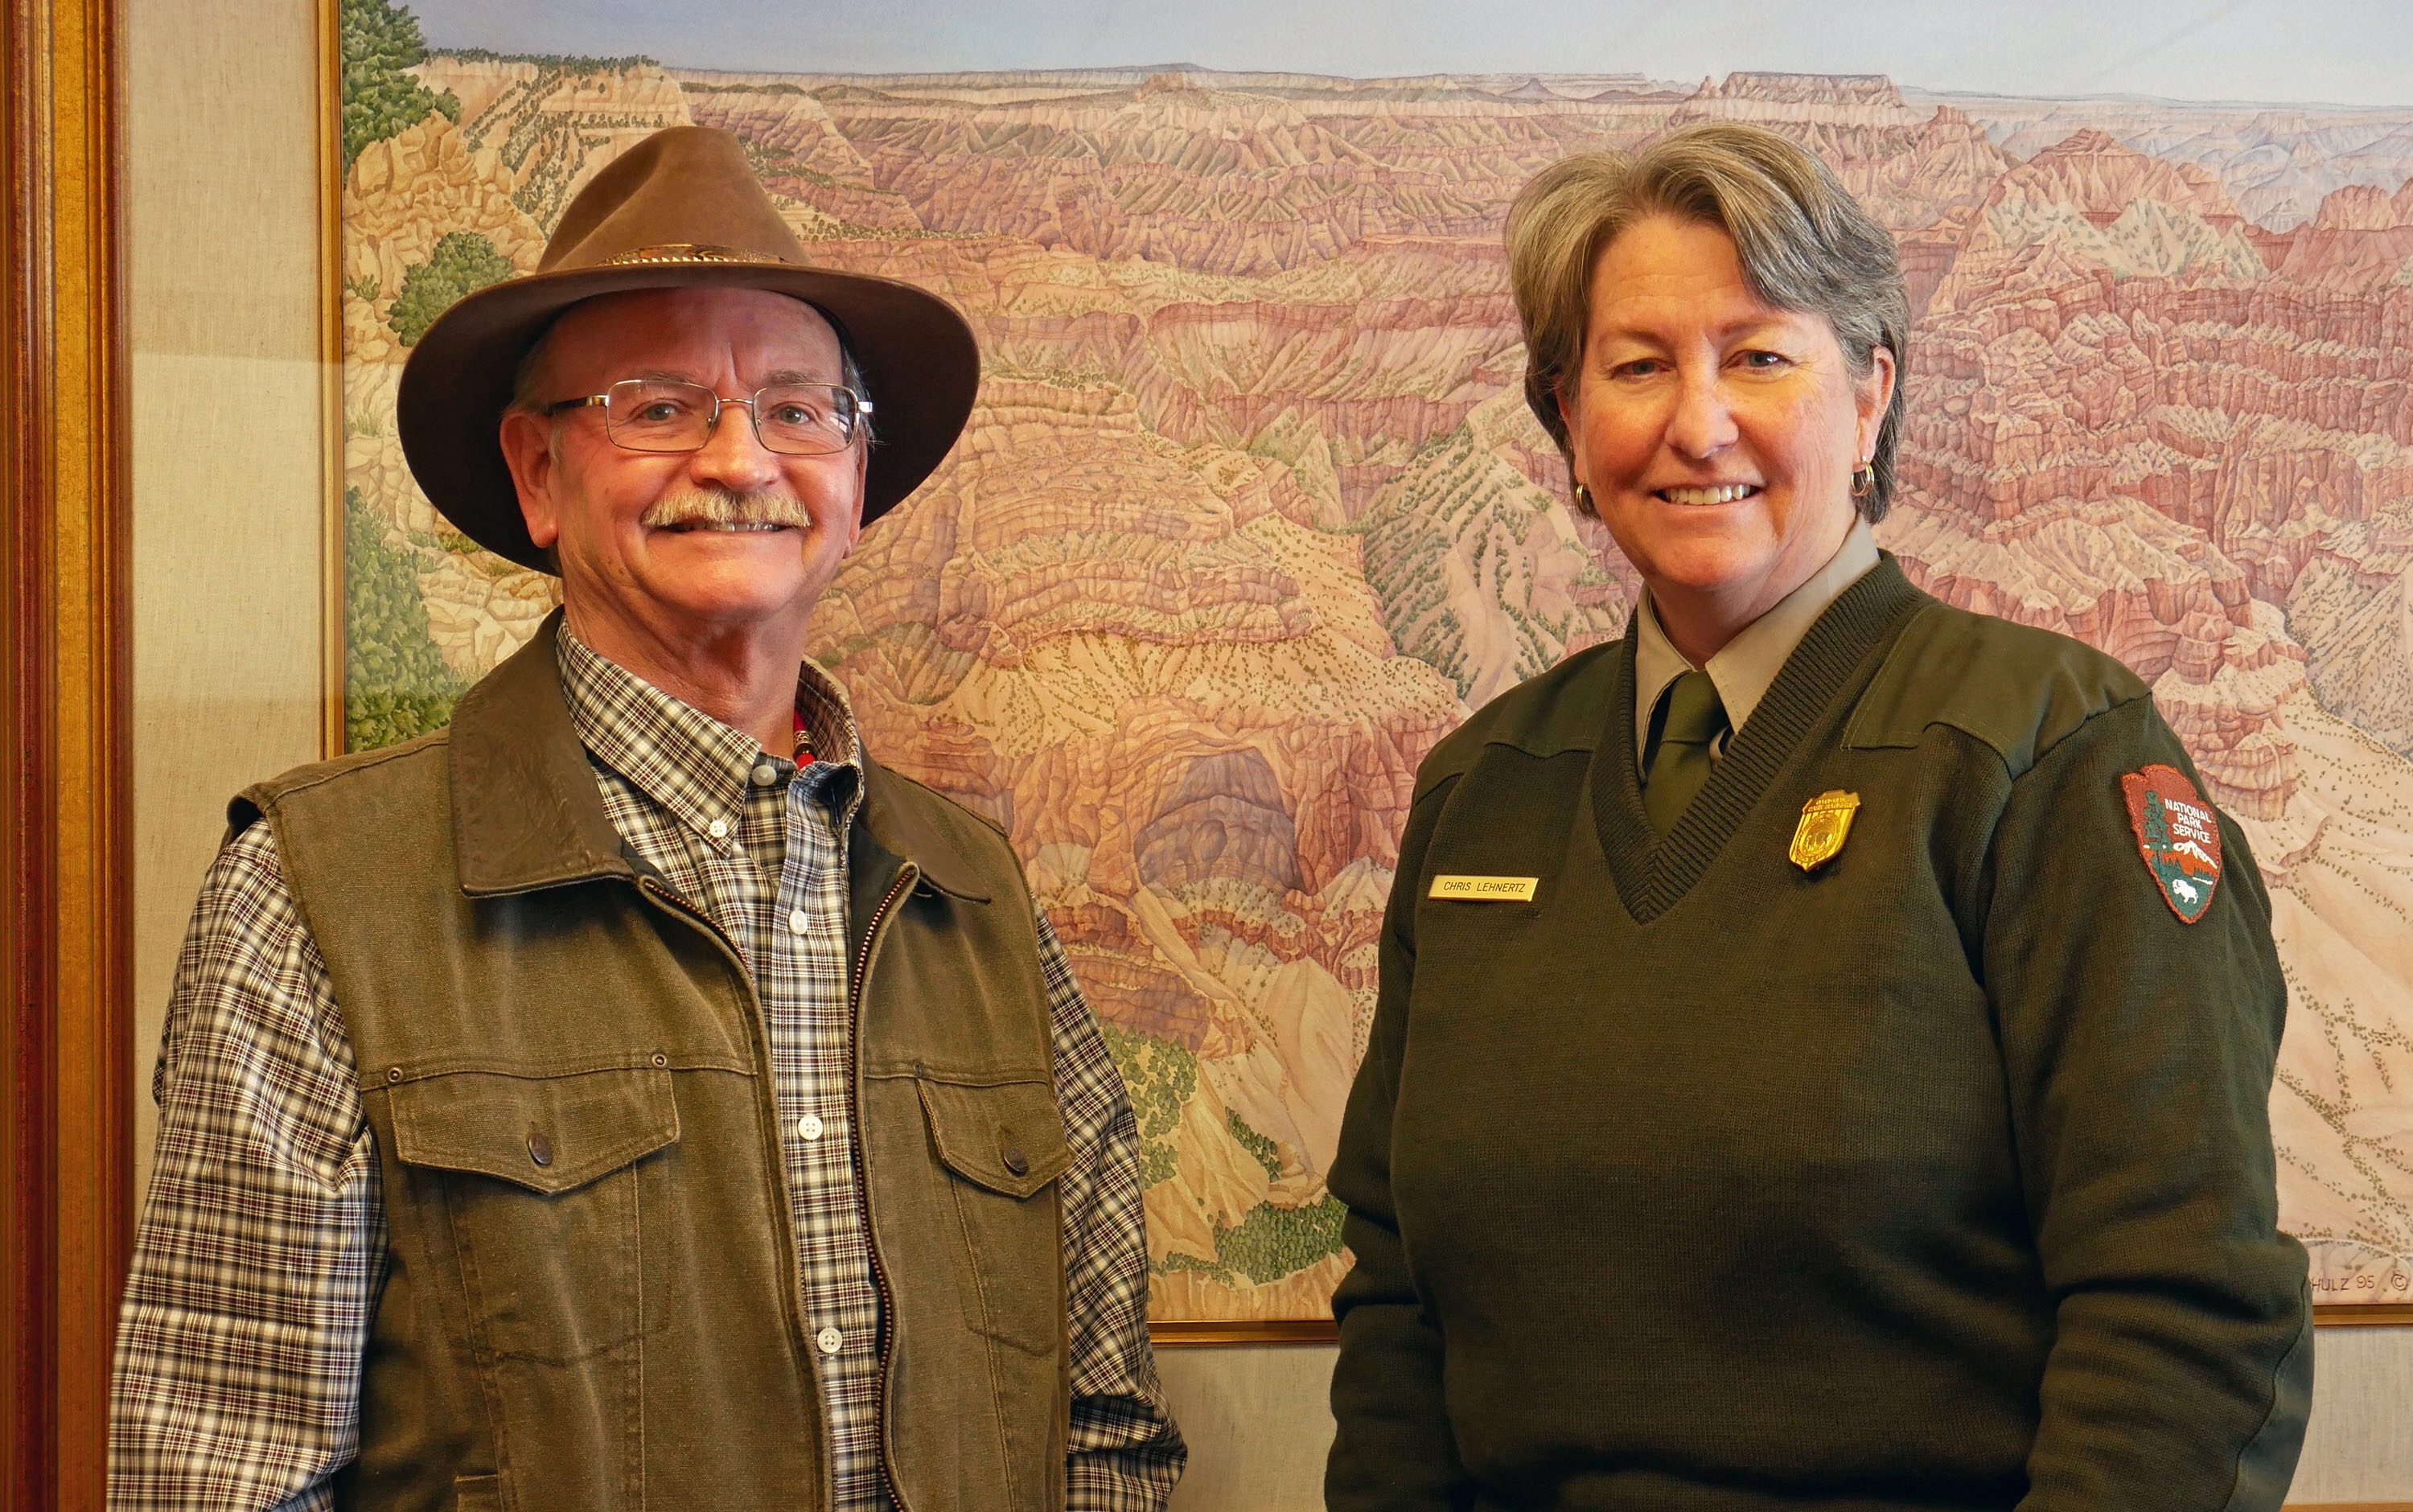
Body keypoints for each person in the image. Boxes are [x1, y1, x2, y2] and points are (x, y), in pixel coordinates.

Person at [109, 126, 1184, 1511]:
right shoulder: (317, 898)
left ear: (853, 485)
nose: (739, 459)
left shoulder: (973, 894)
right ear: (539, 475)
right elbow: (221, 1478)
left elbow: (1105, 1430)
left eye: (798, 411)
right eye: (658, 407)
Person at [1325, 121, 2311, 1511]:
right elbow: (1398, 1305)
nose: (1698, 420)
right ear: (1566, 417)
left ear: (1871, 392)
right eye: (1637, 364)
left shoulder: (2048, 760)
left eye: (1761, 355)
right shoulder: (1486, 788)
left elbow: (2187, 1316)